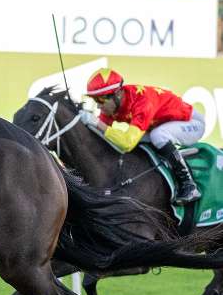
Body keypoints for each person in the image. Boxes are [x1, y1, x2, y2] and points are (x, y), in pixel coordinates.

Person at [79, 68, 204, 204]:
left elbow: (126, 143)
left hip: (192, 123)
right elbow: (102, 136)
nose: (98, 106)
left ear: (118, 94)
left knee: (157, 135)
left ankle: (189, 185)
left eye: (100, 99)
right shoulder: (111, 106)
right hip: (162, 125)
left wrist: (96, 123)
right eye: (95, 100)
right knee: (140, 140)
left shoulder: (142, 102)